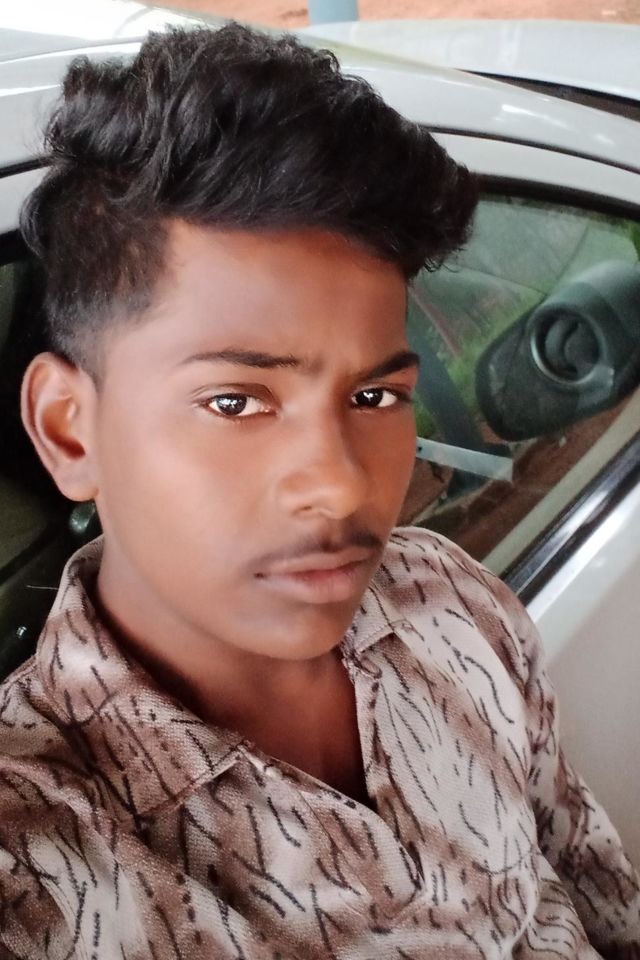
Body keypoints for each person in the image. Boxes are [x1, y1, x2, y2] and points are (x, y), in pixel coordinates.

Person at [0, 22, 637, 960]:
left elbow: (592, 885)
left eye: (374, 397)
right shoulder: (39, 852)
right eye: (235, 401)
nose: (341, 486)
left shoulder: (449, 597)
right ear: (69, 429)